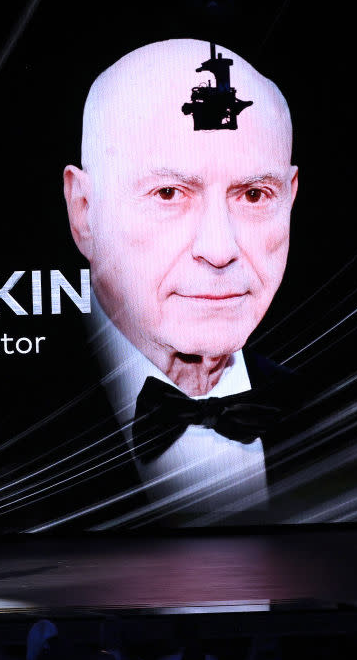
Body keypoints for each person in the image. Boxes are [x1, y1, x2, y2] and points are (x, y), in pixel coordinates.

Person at [62, 38, 300, 515]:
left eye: (254, 195)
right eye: (169, 193)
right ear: (85, 213)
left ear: (290, 199)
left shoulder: (337, 406)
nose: (219, 250)